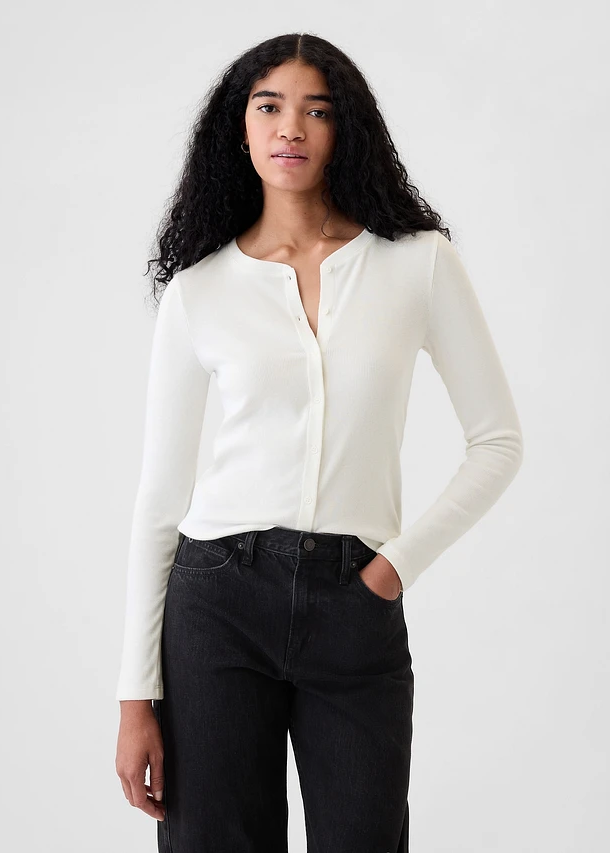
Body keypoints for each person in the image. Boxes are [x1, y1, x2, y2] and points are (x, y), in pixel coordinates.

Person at [114, 32, 523, 853]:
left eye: (317, 110)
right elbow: (160, 496)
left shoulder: (417, 263)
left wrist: (392, 567)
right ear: (240, 128)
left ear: (345, 129)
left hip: (356, 601)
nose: (290, 128)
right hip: (216, 603)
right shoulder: (200, 290)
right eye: (269, 106)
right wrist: (135, 694)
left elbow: (498, 440)